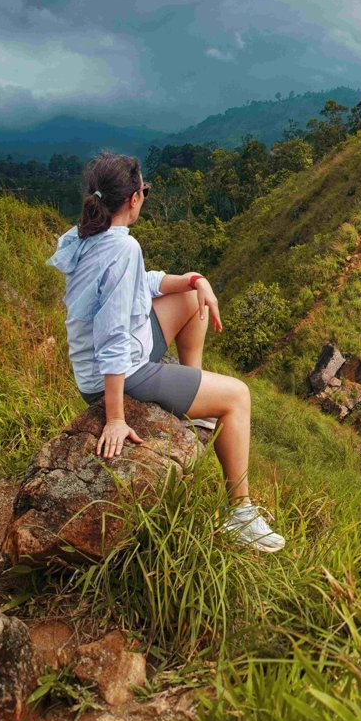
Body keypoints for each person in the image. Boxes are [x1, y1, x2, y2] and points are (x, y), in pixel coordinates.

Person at [46, 152, 285, 552]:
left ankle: (195, 401)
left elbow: (141, 284)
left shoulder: (90, 233)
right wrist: (115, 418)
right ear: (134, 199)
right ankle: (240, 514)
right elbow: (112, 337)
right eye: (144, 191)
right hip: (121, 372)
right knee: (238, 396)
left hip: (122, 353)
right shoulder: (122, 248)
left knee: (193, 298)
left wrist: (195, 280)